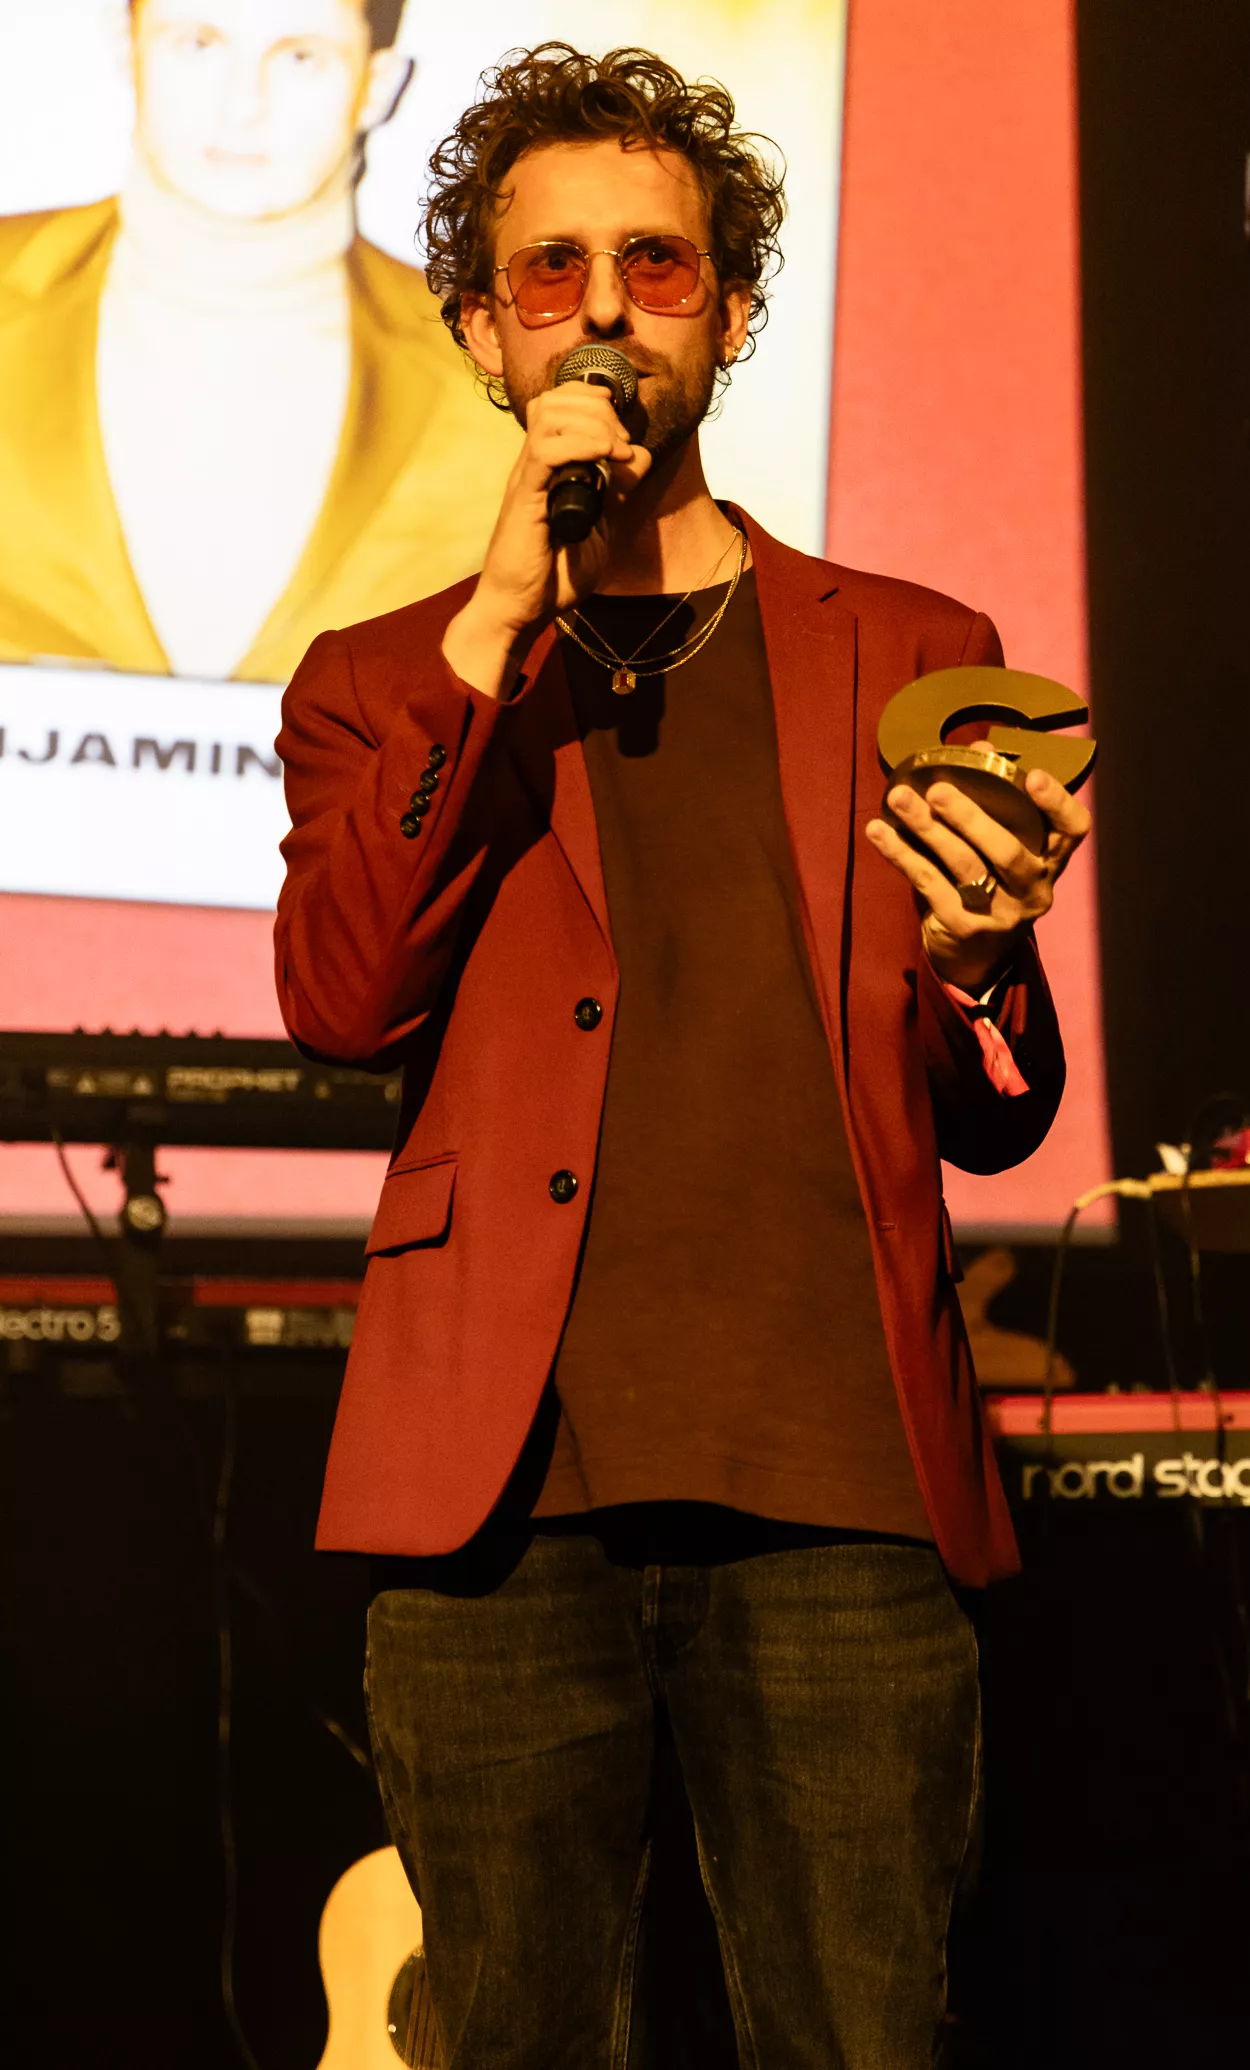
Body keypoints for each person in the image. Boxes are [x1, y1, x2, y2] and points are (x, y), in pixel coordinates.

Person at [274, 44, 1091, 2068]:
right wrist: (497, 618)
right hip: (500, 1503)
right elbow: (344, 1001)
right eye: (549, 271)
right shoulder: (383, 681)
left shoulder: (913, 650)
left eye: (654, 264)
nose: (604, 310)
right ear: (481, 332)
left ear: (728, 315)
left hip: (836, 1482)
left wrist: (985, 967)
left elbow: (997, 1111)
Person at [0, 0, 517, 682]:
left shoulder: (503, 384)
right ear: (128, 48)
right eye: (198, 44)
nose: (242, 105)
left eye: (301, 57)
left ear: (377, 84)